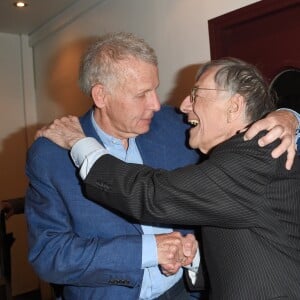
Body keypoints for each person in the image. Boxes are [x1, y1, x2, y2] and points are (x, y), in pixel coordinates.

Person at [38, 58, 300, 299]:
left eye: (196, 94)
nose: (183, 105)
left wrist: (80, 143)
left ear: (233, 107)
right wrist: (195, 257)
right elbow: (246, 248)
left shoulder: (253, 157)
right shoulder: (240, 152)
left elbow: (151, 195)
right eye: (142, 94)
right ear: (101, 95)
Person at [26, 32, 203, 300]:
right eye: (142, 94)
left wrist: (289, 118)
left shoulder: (177, 127)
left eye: (154, 89)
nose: (155, 104)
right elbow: (50, 255)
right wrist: (149, 251)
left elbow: (241, 137)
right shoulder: (51, 157)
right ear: (101, 95)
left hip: (182, 292)